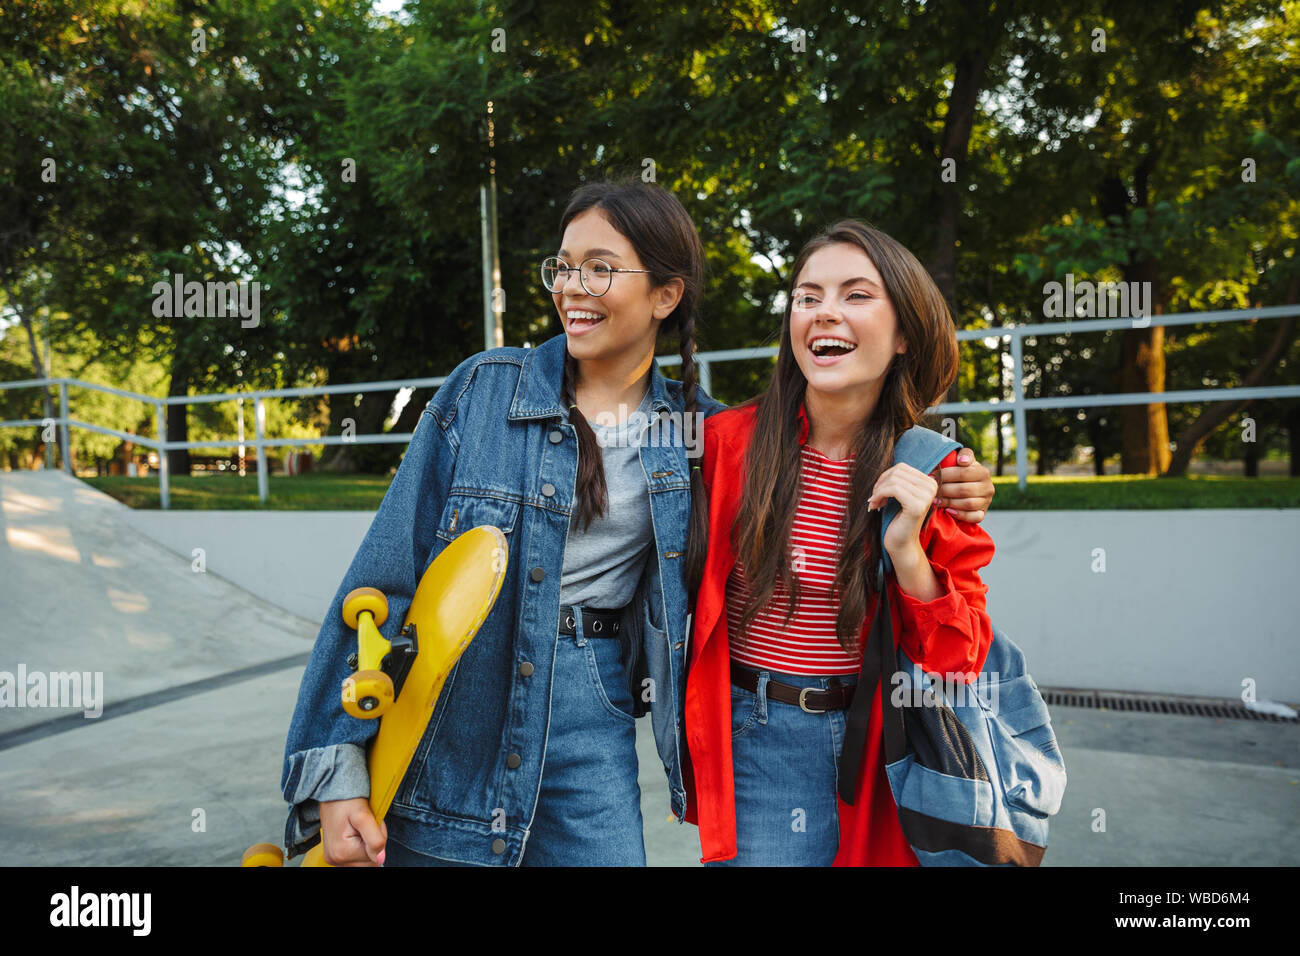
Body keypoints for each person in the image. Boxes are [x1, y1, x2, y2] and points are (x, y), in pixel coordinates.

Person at [281, 182, 993, 866]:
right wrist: (338, 764)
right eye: (562, 268)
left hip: (594, 705)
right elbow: (382, 578)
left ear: (666, 294)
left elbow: (827, 463)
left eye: (599, 269)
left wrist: (953, 483)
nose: (571, 288)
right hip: (460, 698)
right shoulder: (485, 390)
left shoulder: (697, 435)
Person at [683, 219, 997, 866]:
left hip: (883, 750)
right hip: (757, 737)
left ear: (905, 333)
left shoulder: (933, 473)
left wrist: (908, 554)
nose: (826, 312)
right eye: (807, 296)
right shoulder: (725, 446)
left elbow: (958, 664)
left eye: (856, 295)